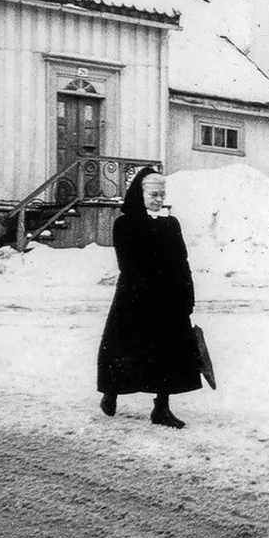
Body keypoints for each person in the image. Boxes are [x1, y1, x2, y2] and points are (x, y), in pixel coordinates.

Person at [97, 167, 201, 428]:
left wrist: (187, 294)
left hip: (168, 299)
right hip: (135, 299)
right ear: (139, 194)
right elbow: (128, 263)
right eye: (153, 194)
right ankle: (111, 392)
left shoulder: (170, 223)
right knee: (125, 349)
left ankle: (161, 408)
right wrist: (151, 286)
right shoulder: (125, 224)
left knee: (168, 353)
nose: (158, 198)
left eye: (161, 194)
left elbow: (182, 261)